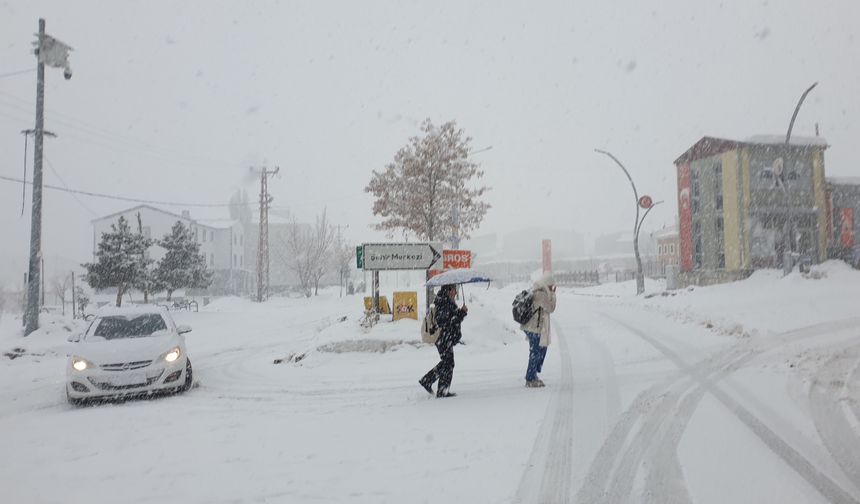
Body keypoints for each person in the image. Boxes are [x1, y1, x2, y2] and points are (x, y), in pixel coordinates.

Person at [419, 284, 468, 398]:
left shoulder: (447, 302)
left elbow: (452, 318)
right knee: (448, 363)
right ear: (448, 290)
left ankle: (440, 388)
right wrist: (461, 313)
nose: (455, 292)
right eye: (454, 290)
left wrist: (460, 312)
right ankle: (431, 383)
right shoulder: (443, 302)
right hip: (443, 338)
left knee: (448, 363)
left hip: (447, 338)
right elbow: (446, 322)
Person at [521, 272, 557, 388]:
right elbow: (551, 308)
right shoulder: (541, 294)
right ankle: (530, 378)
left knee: (540, 349)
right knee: (535, 352)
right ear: (548, 284)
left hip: (531, 327)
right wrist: (553, 294)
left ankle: (534, 373)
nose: (552, 288)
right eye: (551, 286)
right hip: (533, 328)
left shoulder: (537, 290)